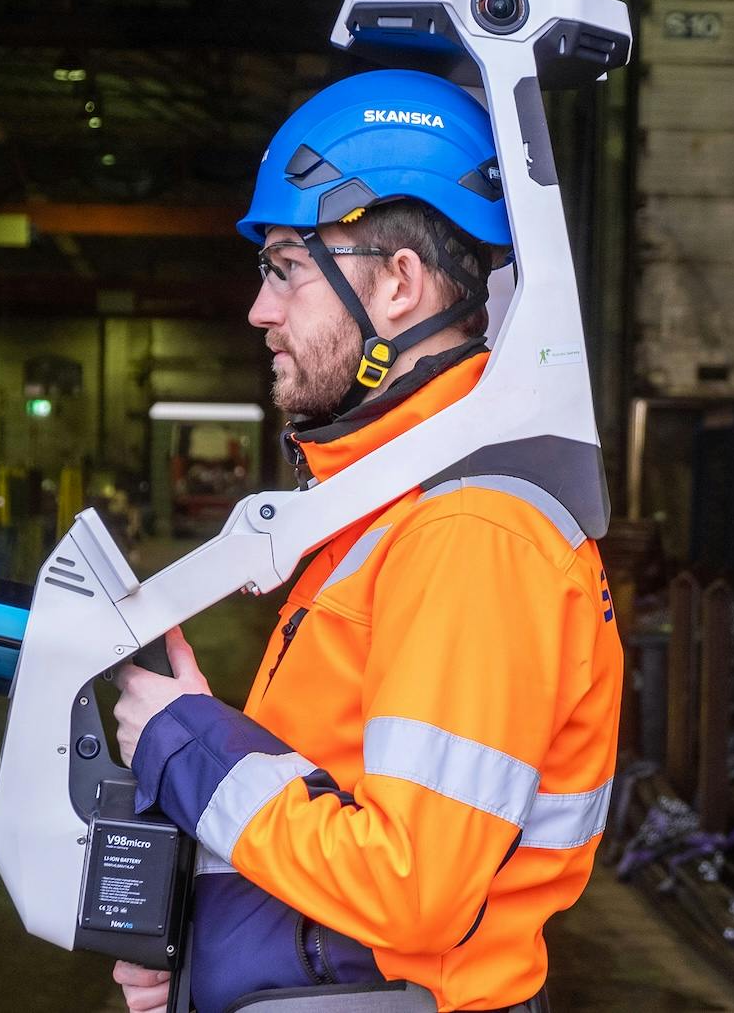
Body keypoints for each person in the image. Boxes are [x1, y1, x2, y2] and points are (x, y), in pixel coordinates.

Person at [108, 69, 623, 1013]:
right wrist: (200, 944)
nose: (260, 309)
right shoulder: (392, 508)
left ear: (398, 284)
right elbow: (332, 793)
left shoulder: (470, 531)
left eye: (287, 268)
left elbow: (411, 885)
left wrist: (185, 746)